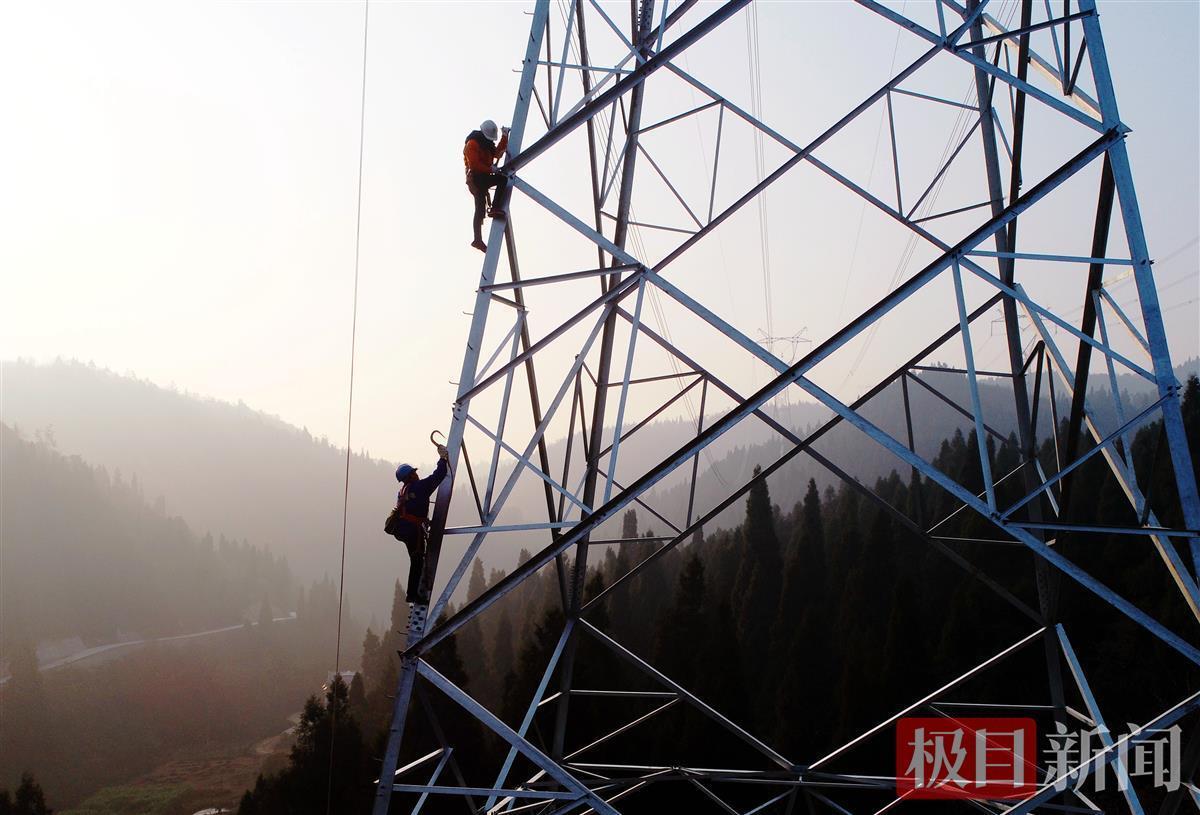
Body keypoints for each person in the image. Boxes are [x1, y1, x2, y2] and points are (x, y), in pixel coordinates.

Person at [387, 443, 450, 603]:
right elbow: (439, 475)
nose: (416, 474)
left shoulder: (403, 491)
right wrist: (442, 458)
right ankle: (413, 595)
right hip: (412, 530)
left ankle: (413, 593)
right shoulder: (419, 487)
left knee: (416, 559)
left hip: (403, 529)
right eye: (414, 473)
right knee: (417, 561)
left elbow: (412, 508)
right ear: (410, 476)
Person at [464, 119, 511, 252]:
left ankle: (494, 208)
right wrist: (491, 169)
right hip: (476, 178)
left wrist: (504, 136)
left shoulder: (486, 144)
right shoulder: (472, 144)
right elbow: (474, 164)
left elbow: (497, 152)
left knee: (501, 180)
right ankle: (477, 239)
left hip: (483, 176)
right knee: (480, 208)